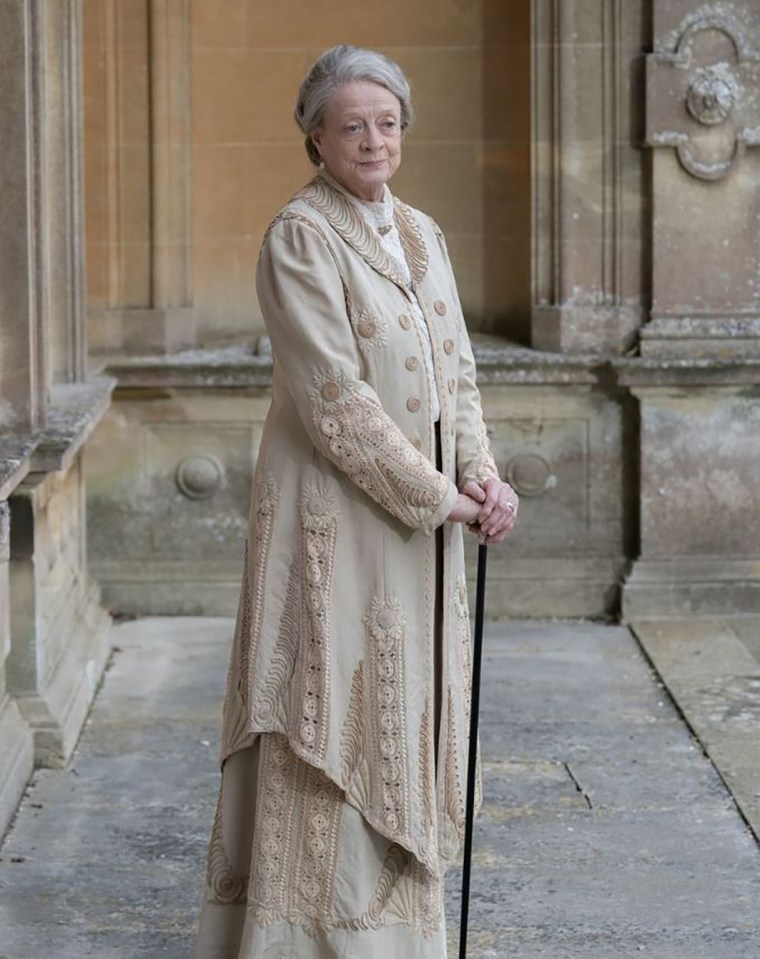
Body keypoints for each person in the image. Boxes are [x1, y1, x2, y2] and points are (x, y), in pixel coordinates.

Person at [192, 44, 519, 959]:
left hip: (425, 524)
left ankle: (403, 937)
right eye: (351, 125)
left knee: (407, 706)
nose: (373, 139)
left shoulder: (421, 234)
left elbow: (459, 376)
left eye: (387, 122)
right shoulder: (299, 237)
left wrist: (484, 478)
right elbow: (335, 399)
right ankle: (312, 939)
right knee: (328, 705)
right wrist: (438, 498)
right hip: (334, 520)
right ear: (315, 138)